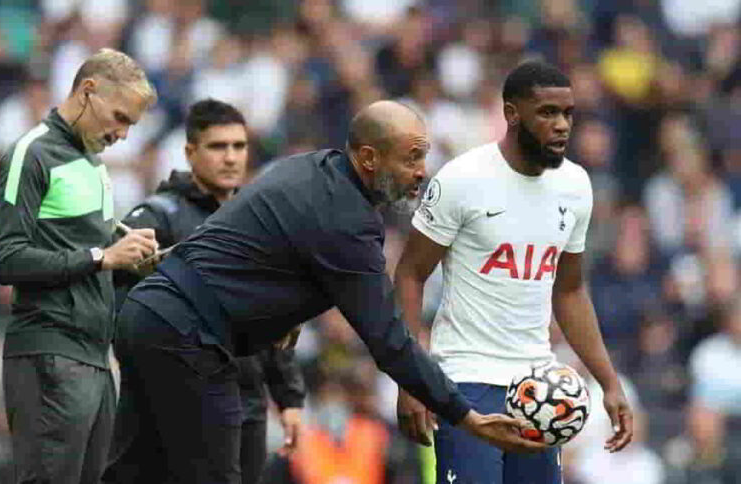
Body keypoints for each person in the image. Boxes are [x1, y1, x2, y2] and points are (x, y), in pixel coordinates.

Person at [102, 100, 545, 484]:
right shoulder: (349, 220)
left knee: (132, 474)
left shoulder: (311, 167)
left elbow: (255, 249)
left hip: (149, 315)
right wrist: (465, 415)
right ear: (369, 158)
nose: (420, 172)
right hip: (188, 337)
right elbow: (388, 339)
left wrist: (282, 314)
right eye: (411, 158)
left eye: (423, 157)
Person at [394, 60, 634, 484]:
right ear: (511, 113)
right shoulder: (462, 179)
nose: (561, 125)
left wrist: (609, 382)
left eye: (568, 114)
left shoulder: (575, 186)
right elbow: (410, 274)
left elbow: (569, 291)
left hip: (538, 389)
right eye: (547, 113)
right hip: (465, 381)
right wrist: (410, 380)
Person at [113, 98, 305, 484]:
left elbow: (273, 312)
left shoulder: (260, 220)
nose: (231, 157)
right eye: (218, 146)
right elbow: (122, 307)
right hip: (178, 396)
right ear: (190, 152)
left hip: (248, 399)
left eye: (239, 146)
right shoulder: (156, 219)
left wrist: (288, 396)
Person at [0, 48, 159, 484]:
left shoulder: (93, 164)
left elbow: (86, 253)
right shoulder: (31, 153)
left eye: (131, 125)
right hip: (50, 352)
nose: (123, 134)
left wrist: (131, 258)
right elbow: (8, 259)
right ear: (87, 90)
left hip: (95, 358)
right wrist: (103, 257)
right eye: (119, 117)